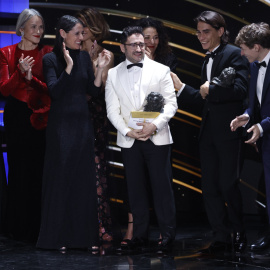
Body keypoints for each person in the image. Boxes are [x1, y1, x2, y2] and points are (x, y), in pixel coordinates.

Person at [171, 11, 249, 254]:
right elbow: (204, 100)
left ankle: (238, 234)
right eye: (198, 32)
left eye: (206, 31)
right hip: (208, 134)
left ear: (221, 31)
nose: (201, 37)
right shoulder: (207, 59)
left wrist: (210, 89)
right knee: (210, 188)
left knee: (228, 185)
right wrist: (182, 88)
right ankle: (221, 237)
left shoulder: (235, 54)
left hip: (229, 132)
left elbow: (240, 89)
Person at [36, 15, 111, 251]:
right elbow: (55, 92)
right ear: (62, 34)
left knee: (82, 180)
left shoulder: (82, 57)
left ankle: (82, 238)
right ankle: (57, 239)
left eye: (82, 33)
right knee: (62, 180)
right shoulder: (50, 59)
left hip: (82, 126)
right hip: (61, 128)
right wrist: (67, 68)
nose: (82, 38)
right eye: (77, 33)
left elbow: (92, 90)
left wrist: (99, 70)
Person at [105, 25, 177, 251]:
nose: (139, 48)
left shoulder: (161, 70)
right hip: (130, 139)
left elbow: (171, 105)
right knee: (135, 190)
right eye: (134, 44)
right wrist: (128, 131)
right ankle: (140, 236)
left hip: (157, 137)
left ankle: (167, 237)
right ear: (122, 47)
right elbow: (111, 110)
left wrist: (153, 125)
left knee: (161, 188)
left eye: (141, 44)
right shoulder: (113, 73)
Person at [0, 8, 52, 242]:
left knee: (39, 170)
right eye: (34, 27)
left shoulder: (48, 52)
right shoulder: (6, 52)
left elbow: (52, 88)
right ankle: (17, 227)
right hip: (17, 116)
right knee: (19, 168)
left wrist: (33, 79)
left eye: (41, 27)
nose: (39, 31)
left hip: (43, 114)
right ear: (21, 29)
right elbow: (4, 90)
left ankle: (39, 226)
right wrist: (19, 74)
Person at [76, 7, 114, 243]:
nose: (79, 31)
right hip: (74, 117)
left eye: (83, 26)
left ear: (93, 28)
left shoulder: (105, 54)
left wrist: (94, 64)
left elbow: (98, 88)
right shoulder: (71, 51)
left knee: (97, 171)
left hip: (95, 117)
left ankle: (100, 225)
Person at [231, 22, 270, 252]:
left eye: (244, 48)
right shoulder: (254, 66)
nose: (242, 53)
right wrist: (247, 116)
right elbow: (254, 103)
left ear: (257, 46)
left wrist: (262, 127)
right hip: (266, 140)